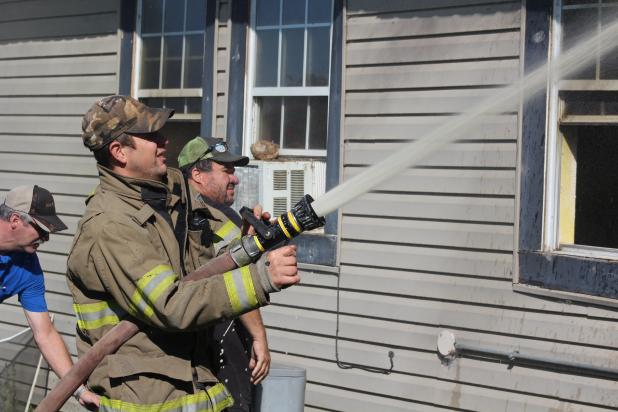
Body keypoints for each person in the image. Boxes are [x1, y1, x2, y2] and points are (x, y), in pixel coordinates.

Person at [67, 95, 298, 411]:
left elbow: (200, 272)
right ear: (119, 152)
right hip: (145, 396)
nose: (164, 141)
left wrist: (246, 246)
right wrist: (260, 280)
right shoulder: (110, 226)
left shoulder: (165, 194)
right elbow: (172, 304)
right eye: (150, 136)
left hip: (192, 383)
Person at [178, 136, 270, 412]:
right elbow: (234, 281)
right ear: (197, 174)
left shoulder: (221, 214)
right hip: (218, 343)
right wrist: (259, 336)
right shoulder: (200, 218)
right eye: (226, 171)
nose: (235, 179)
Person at [0, 185, 99, 410]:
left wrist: (78, 389)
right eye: (41, 229)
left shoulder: (27, 267)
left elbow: (44, 333)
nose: (45, 237)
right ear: (15, 220)